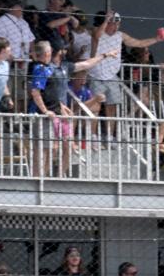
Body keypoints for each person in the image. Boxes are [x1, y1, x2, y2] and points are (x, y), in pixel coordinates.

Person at [28, 39, 118, 177]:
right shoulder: (44, 68)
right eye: (63, 50)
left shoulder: (64, 66)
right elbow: (39, 91)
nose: (66, 52)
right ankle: (40, 178)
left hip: (62, 112)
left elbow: (86, 64)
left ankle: (58, 176)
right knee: (47, 148)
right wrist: (50, 109)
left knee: (67, 146)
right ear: (54, 52)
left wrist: (105, 55)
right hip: (50, 112)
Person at [88, 10, 164, 148]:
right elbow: (97, 36)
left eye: (118, 23)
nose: (116, 26)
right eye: (113, 23)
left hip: (112, 75)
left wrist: (156, 39)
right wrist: (106, 20)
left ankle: (110, 136)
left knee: (112, 107)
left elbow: (138, 43)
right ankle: (93, 136)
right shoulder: (97, 31)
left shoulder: (120, 35)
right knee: (95, 106)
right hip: (96, 74)